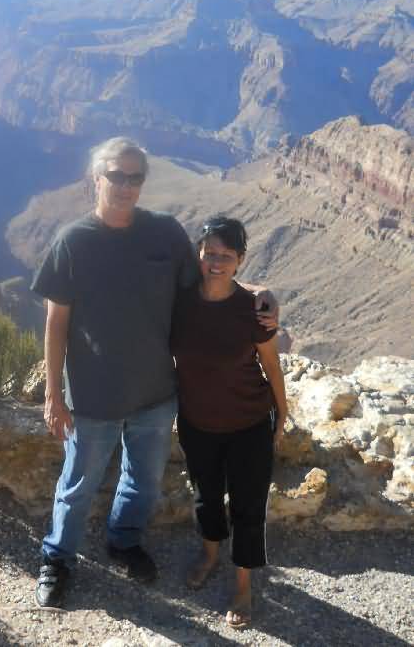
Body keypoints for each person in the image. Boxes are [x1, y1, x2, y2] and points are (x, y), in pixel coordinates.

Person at [31, 138, 276, 608]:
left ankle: (124, 541)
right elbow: (56, 322)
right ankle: (57, 559)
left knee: (143, 480)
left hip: (156, 394)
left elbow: (208, 281)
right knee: (78, 484)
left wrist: (259, 291)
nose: (125, 185)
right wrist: (52, 395)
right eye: (116, 175)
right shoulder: (72, 241)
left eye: (134, 177)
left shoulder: (163, 233)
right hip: (93, 396)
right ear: (96, 178)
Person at [171, 215, 288, 630]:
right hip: (197, 421)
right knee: (205, 497)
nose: (216, 262)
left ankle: (243, 585)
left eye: (226, 255)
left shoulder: (254, 310)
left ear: (240, 259)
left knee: (248, 506)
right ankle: (209, 555)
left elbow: (271, 366)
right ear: (198, 255)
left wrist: (282, 413)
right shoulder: (180, 301)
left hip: (249, 423)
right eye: (209, 253)